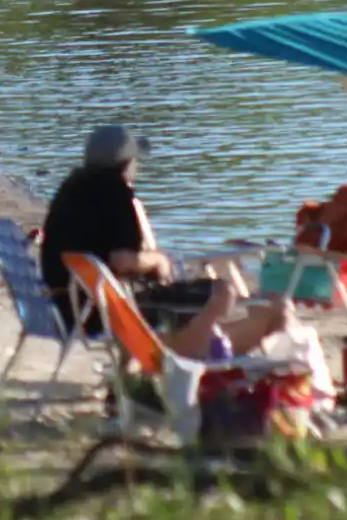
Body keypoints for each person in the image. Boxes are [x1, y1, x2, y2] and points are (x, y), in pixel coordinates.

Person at [39, 124, 292, 361]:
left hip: (70, 307)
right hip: (106, 313)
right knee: (223, 291)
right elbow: (122, 260)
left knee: (197, 297)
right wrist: (158, 260)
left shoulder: (70, 191)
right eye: (135, 160)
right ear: (126, 164)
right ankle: (185, 355)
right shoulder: (115, 195)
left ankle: (191, 345)